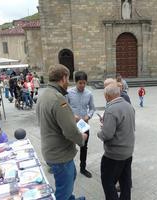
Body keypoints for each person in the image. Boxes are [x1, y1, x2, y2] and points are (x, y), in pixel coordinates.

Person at [36, 64, 88, 200]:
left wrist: (71, 117)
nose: (69, 82)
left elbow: (51, 118)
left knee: (71, 176)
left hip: (51, 150)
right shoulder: (58, 98)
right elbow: (70, 131)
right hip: (60, 154)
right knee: (63, 190)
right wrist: (81, 138)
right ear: (63, 78)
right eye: (68, 78)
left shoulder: (44, 94)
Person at [98, 83, 135, 200]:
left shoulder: (111, 109)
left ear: (107, 96)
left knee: (108, 182)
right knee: (125, 181)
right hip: (128, 152)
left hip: (114, 154)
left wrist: (99, 132)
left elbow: (107, 135)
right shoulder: (129, 106)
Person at [67, 71, 95, 178]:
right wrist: (73, 116)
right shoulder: (69, 93)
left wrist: (88, 116)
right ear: (75, 82)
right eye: (80, 83)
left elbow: (92, 108)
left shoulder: (89, 94)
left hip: (84, 124)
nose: (82, 85)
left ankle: (83, 168)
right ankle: (70, 169)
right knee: (69, 146)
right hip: (72, 124)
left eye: (84, 83)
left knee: (84, 146)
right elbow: (65, 108)